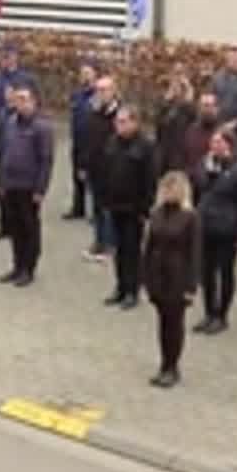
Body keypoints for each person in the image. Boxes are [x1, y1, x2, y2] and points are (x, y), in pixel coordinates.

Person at [192, 130, 237, 335]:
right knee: (206, 272)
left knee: (225, 273)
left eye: (220, 142)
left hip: (228, 229)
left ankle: (222, 315)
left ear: (229, 145)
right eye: (213, 142)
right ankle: (209, 312)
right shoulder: (205, 164)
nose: (215, 146)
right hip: (206, 226)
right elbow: (198, 186)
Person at [143, 171, 201, 388]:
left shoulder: (190, 217)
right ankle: (163, 363)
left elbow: (195, 254)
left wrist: (191, 286)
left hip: (178, 277)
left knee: (174, 324)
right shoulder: (156, 213)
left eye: (173, 189)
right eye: (166, 188)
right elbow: (148, 246)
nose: (169, 193)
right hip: (158, 275)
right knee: (162, 323)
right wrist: (145, 276)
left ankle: (172, 366)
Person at [101, 105, 158, 310]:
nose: (119, 126)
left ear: (135, 123)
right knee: (119, 250)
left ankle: (133, 291)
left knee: (132, 251)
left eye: (124, 122)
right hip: (115, 205)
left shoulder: (146, 146)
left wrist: (145, 208)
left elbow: (150, 180)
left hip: (134, 208)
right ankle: (121, 287)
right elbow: (105, 171)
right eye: (117, 122)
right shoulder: (112, 143)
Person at [0, 85, 53, 284]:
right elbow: (4, 154)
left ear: (34, 102)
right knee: (15, 228)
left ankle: (29, 268)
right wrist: (1, 182)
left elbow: (46, 160)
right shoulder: (10, 123)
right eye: (17, 99)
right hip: (11, 184)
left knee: (29, 229)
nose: (20, 103)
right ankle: (17, 265)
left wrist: (40, 189)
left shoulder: (41, 127)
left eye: (24, 99)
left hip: (29, 187)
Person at [0, 45, 34, 222]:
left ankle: (15, 193)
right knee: (0, 160)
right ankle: (0, 191)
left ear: (15, 58)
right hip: (1, 124)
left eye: (9, 57)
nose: (5, 61)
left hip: (20, 125)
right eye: (3, 58)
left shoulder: (25, 78)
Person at [77, 76, 120, 262]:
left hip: (112, 170)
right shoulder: (92, 113)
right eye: (98, 90)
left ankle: (110, 246)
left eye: (105, 90)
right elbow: (86, 140)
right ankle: (98, 241)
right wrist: (83, 164)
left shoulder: (119, 115)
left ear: (113, 91)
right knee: (96, 207)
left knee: (108, 210)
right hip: (94, 169)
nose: (101, 94)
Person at [64, 62, 97, 223]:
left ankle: (95, 212)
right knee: (76, 176)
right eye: (83, 73)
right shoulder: (77, 94)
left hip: (92, 143)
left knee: (92, 178)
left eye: (88, 73)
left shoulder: (97, 96)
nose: (85, 76)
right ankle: (78, 208)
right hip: (77, 140)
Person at [154, 75, 200, 179]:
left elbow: (194, 120)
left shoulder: (188, 109)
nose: (175, 90)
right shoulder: (165, 107)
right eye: (173, 87)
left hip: (182, 157)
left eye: (178, 87)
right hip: (165, 156)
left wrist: (189, 94)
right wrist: (166, 101)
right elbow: (158, 126)